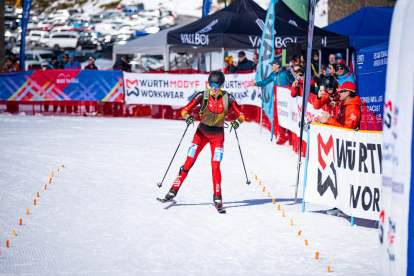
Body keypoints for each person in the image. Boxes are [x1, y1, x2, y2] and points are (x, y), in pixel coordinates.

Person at [160, 71, 246, 213]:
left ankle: (218, 197)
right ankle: (172, 191)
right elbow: (184, 110)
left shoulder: (228, 98)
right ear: (208, 84)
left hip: (217, 136)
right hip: (201, 134)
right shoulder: (202, 95)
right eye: (211, 85)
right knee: (188, 162)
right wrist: (187, 117)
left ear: (221, 85)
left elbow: (242, 115)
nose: (213, 88)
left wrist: (238, 121)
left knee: (215, 166)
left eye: (216, 85)